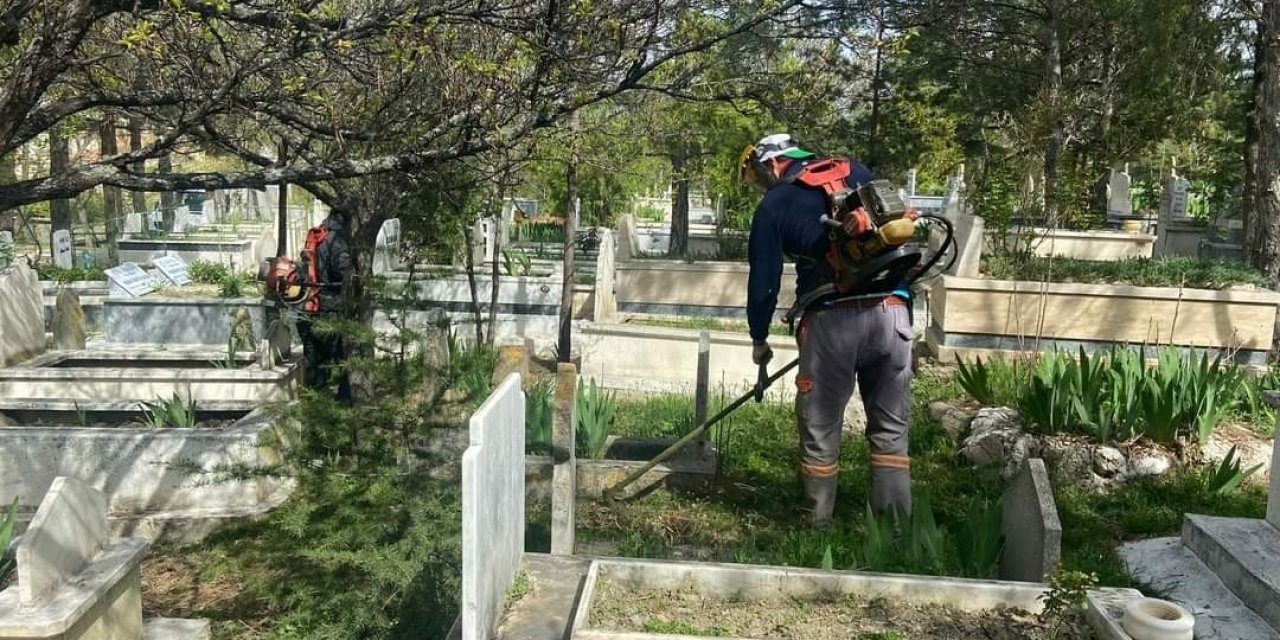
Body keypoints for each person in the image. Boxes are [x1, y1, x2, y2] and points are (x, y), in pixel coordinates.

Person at [741, 133, 914, 529]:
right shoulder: (856, 172)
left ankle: (816, 525)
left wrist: (759, 338)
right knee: (890, 429)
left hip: (832, 321)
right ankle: (895, 530)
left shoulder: (775, 204)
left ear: (773, 164)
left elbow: (764, 281)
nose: (761, 184)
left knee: (819, 426)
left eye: (758, 175)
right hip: (893, 314)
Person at [296, 209, 353, 402]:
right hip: (331, 310)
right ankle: (345, 403)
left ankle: (315, 406)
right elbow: (342, 271)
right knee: (348, 360)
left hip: (309, 309)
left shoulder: (317, 234)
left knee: (315, 365)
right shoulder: (338, 239)